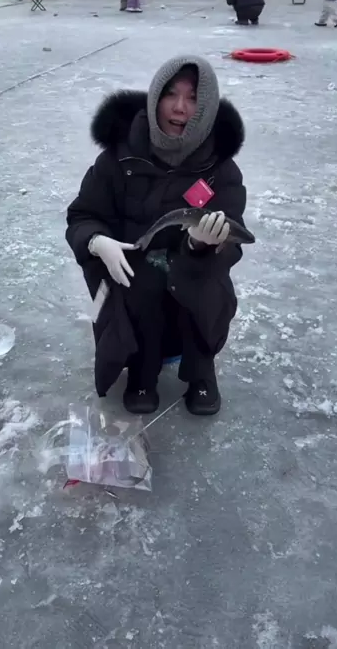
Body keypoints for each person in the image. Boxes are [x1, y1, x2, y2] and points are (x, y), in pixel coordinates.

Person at [66, 55, 247, 416]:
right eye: (170, 94)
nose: (180, 108)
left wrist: (202, 245)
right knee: (140, 281)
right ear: (154, 99)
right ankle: (142, 370)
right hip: (134, 266)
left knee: (206, 284)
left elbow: (232, 243)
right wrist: (97, 241)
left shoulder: (221, 170)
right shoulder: (118, 157)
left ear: (207, 108)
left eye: (193, 98)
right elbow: (82, 215)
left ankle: (200, 369)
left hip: (190, 268)